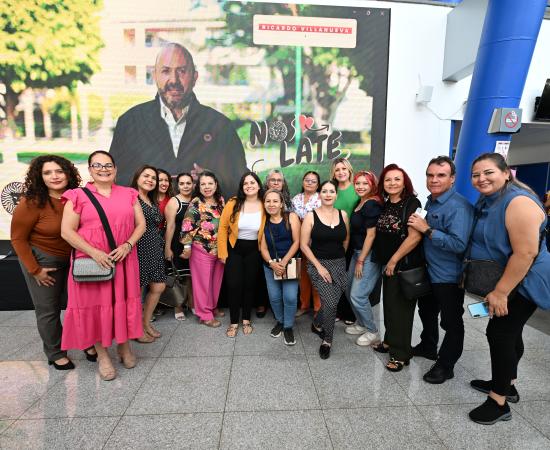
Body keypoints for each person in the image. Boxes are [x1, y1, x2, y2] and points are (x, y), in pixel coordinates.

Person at [466, 153, 550, 425]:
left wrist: (500, 292)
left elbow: (525, 253)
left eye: (488, 172)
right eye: (476, 175)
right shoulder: (489, 199)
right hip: (508, 279)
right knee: (511, 333)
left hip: (524, 281)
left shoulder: (518, 202)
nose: (481, 179)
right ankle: (507, 383)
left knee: (500, 333)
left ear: (505, 173)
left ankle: (498, 401)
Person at [109, 43, 247, 195]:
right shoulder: (129, 122)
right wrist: (146, 184)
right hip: (146, 211)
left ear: (194, 77)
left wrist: (212, 182)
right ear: (155, 76)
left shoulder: (220, 125)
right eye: (165, 71)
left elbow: (240, 182)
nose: (174, 80)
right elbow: (113, 182)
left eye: (182, 71)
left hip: (202, 211)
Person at [60, 151, 146, 381]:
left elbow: (141, 225)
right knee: (95, 307)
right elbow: (66, 231)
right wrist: (94, 253)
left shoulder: (129, 194)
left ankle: (124, 347)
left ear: (115, 169)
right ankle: (102, 355)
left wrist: (128, 244)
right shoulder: (77, 195)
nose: (103, 169)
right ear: (90, 170)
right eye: (97, 165)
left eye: (108, 165)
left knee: (122, 303)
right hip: (92, 262)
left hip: (124, 259)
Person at [11, 155, 85, 370]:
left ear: (68, 173)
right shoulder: (31, 202)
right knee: (48, 310)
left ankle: (88, 344)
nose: (54, 176)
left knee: (81, 306)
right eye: (47, 172)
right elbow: (18, 239)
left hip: (75, 260)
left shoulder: (78, 197)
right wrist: (35, 270)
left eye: (59, 171)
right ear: (39, 177)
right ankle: (55, 353)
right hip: (44, 262)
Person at [407, 156, 474, 384]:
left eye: (441, 175)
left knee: (451, 322)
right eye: (430, 175)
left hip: (449, 276)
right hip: (430, 271)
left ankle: (446, 366)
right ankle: (428, 346)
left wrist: (427, 230)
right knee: (426, 311)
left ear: (452, 178)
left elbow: (458, 244)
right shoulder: (431, 201)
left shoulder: (459, 206)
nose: (434, 180)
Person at [371, 164, 425, 372]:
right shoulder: (386, 204)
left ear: (404, 183)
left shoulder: (412, 203)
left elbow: (414, 237)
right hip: (388, 265)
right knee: (390, 306)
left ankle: (400, 354)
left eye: (397, 179)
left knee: (401, 310)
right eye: (388, 179)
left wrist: (394, 260)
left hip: (403, 265)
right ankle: (389, 341)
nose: (392, 183)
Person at [300, 180, 349, 359]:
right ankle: (327, 340)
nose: (328, 194)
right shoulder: (310, 216)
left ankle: (317, 323)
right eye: (324, 191)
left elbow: (346, 239)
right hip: (317, 264)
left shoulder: (343, 215)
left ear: (336, 195)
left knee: (332, 302)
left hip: (339, 263)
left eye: (331, 191)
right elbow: (303, 245)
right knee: (330, 303)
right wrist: (319, 267)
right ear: (319, 194)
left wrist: (340, 259)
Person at [218, 172, 266, 337]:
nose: (249, 186)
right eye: (245, 183)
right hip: (234, 248)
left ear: (258, 185)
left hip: (254, 250)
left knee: (249, 285)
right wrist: (222, 252)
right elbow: (223, 227)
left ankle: (246, 319)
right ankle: (233, 322)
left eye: (252, 182)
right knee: (233, 285)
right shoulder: (233, 202)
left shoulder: (264, 203)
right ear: (242, 187)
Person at [344, 171, 383, 347]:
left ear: (372, 185)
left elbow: (371, 235)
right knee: (348, 289)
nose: (360, 186)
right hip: (357, 252)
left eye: (365, 183)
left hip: (368, 255)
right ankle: (361, 323)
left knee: (358, 295)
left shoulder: (372, 204)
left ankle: (372, 331)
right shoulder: (361, 202)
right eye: (358, 183)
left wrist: (361, 260)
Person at [181, 171, 225, 328]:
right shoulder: (196, 202)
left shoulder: (220, 201)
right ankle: (204, 315)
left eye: (210, 183)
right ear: (199, 187)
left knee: (215, 282)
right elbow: (187, 225)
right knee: (202, 284)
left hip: (219, 249)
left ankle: (212, 307)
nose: (207, 187)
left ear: (216, 185)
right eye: (203, 184)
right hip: (201, 249)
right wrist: (187, 246)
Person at [130, 166, 167, 341]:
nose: (150, 180)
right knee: (137, 292)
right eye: (146, 176)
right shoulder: (131, 197)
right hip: (139, 248)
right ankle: (136, 329)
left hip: (155, 247)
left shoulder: (151, 199)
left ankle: (146, 323)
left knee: (158, 286)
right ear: (137, 177)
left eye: (153, 178)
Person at [260, 189, 301, 345]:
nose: (271, 204)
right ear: (264, 204)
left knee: (290, 297)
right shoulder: (263, 221)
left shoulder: (291, 217)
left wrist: (283, 262)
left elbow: (297, 242)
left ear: (282, 203)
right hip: (270, 265)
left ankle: (288, 326)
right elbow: (263, 248)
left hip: (289, 264)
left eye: (275, 201)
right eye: (268, 201)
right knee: (274, 297)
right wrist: (272, 264)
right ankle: (281, 321)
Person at [331, 157, 358, 324]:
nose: (341, 172)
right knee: (336, 275)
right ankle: (338, 310)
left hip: (353, 239)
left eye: (343, 169)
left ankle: (350, 313)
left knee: (348, 277)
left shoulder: (357, 188)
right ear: (333, 173)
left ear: (349, 170)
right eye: (337, 170)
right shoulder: (332, 189)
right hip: (334, 238)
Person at [292, 171, 321, 318]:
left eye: (313, 181)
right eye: (307, 180)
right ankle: (304, 305)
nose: (309, 183)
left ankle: (318, 308)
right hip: (298, 240)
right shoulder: (296, 199)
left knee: (315, 274)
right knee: (302, 275)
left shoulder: (321, 198)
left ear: (318, 184)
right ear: (303, 182)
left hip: (314, 240)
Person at [164, 172, 194, 320]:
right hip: (177, 243)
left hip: (193, 244)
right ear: (178, 185)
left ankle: (192, 303)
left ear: (193, 184)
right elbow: (170, 227)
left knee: (191, 277)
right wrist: (167, 248)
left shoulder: (196, 200)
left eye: (188, 183)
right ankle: (178, 306)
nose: (185, 186)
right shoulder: (174, 201)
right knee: (177, 276)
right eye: (182, 183)